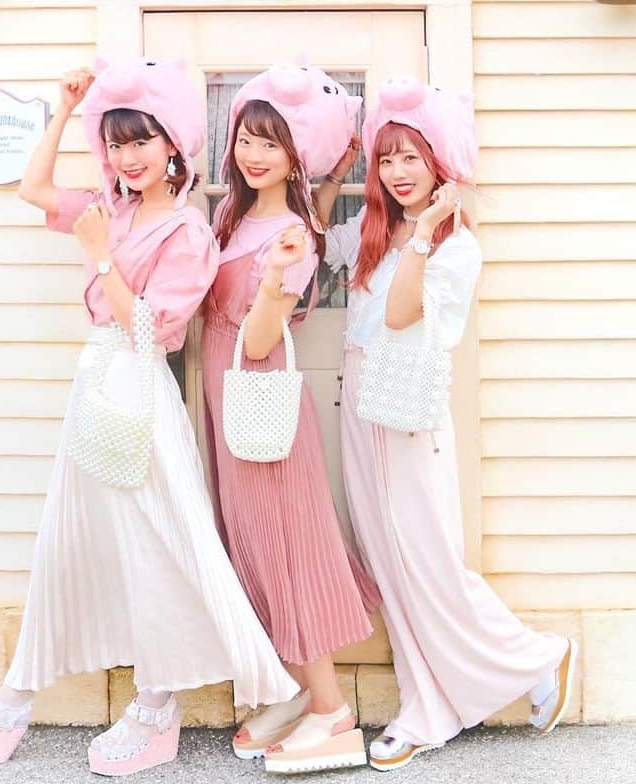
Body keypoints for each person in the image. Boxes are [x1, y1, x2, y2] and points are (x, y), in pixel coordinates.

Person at [0, 57, 296, 775]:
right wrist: (66, 110)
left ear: (172, 146)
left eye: (140, 142)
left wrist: (100, 259)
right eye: (116, 144)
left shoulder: (187, 233)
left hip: (138, 390)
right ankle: (11, 705)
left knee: (158, 544)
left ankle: (154, 709)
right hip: (96, 383)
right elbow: (33, 189)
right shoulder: (112, 209)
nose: (126, 158)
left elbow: (153, 331)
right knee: (64, 545)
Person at [316, 77, 577, 772]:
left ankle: (535, 656)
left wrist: (426, 232)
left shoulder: (456, 247)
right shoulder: (373, 232)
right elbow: (313, 242)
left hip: (407, 414)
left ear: (440, 162)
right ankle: (425, 706)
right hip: (361, 405)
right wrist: (338, 174)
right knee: (390, 563)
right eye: (387, 158)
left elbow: (402, 314)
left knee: (426, 560)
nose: (397, 172)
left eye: (412, 157)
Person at [200, 62, 380, 774]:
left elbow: (259, 340)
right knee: (254, 543)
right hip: (227, 393)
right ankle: (302, 692)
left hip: (259, 391)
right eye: (246, 138)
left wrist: (274, 282)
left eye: (271, 143)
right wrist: (333, 177)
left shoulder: (293, 240)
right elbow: (315, 213)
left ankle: (333, 711)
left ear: (293, 152)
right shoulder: (238, 215)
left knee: (286, 546)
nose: (253, 154)